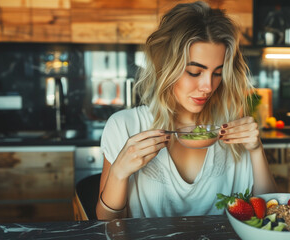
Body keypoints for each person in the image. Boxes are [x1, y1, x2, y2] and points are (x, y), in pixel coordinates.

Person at [96, 0, 277, 220]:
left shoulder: (232, 128)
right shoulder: (125, 126)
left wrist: (256, 150)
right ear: (166, 66)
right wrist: (118, 172)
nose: (208, 87)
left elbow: (267, 213)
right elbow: (107, 224)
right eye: (194, 72)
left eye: (217, 73)